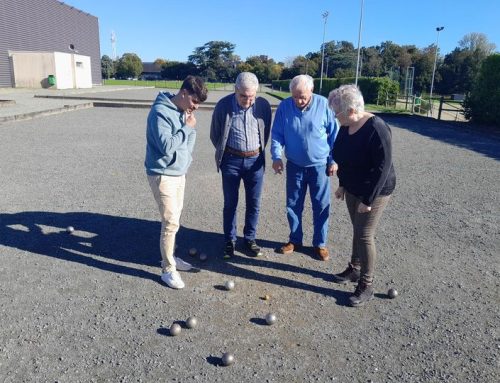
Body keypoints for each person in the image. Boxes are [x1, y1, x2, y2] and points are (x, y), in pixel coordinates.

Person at [327, 84, 396, 307]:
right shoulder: (346, 126)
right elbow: (343, 157)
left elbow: (382, 168)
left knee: (365, 234)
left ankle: (366, 284)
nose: (334, 117)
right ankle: (355, 269)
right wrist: (343, 185)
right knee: (356, 229)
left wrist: (368, 199)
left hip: (375, 190)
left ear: (350, 111)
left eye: (336, 113)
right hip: (353, 187)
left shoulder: (377, 128)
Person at [145, 75, 208, 289]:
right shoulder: (159, 112)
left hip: (178, 173)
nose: (196, 107)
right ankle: (167, 270)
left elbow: (186, 143)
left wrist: (185, 161)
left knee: (175, 220)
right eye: (194, 101)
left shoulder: (184, 112)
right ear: (183, 93)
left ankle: (169, 257)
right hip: (162, 173)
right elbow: (166, 146)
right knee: (170, 222)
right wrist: (188, 127)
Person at [271, 74, 339, 261]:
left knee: (321, 205)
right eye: (295, 96)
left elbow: (335, 136)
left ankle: (320, 244)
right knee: (293, 204)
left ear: (312, 90)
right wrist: (276, 157)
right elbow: (277, 134)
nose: (298, 101)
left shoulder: (324, 105)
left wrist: (334, 160)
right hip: (294, 165)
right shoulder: (285, 107)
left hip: (320, 166)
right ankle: (295, 240)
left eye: (302, 96)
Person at [210, 72, 272, 258]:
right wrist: (228, 152)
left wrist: (256, 151)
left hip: (255, 161)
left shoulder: (263, 106)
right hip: (231, 161)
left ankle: (249, 239)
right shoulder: (223, 105)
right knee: (230, 203)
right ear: (235, 90)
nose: (247, 100)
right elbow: (215, 134)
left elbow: (265, 130)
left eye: (251, 96)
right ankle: (230, 240)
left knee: (254, 203)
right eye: (243, 96)